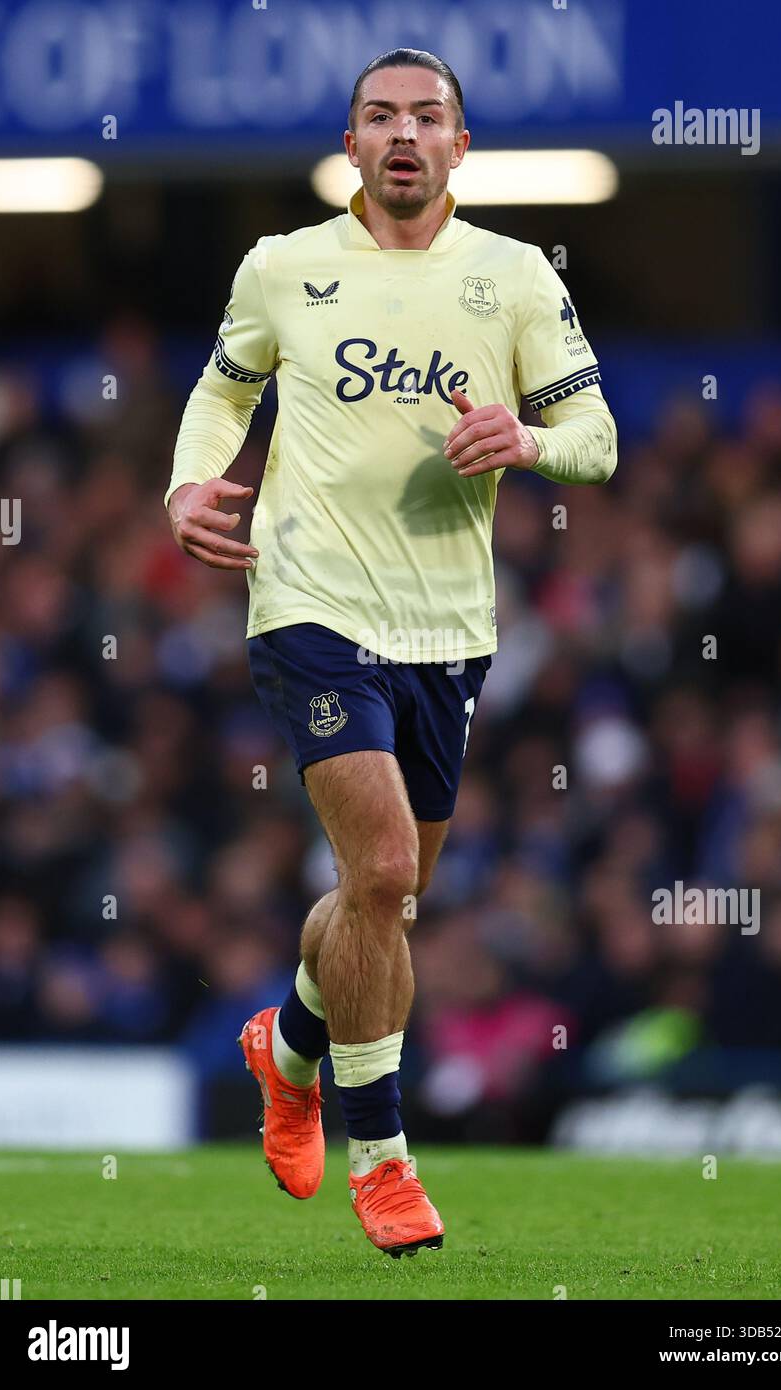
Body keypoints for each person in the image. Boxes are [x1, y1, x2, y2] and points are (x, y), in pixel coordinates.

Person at [166, 47, 617, 1258]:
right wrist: (185, 486)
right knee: (374, 868)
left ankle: (291, 1044)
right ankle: (384, 1162)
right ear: (349, 142)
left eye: (427, 117)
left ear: (460, 146)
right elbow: (222, 392)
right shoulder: (282, 268)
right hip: (307, 604)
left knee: (385, 899)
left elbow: (597, 436)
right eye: (380, 117)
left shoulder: (515, 277)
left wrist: (524, 437)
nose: (403, 134)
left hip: (446, 630)